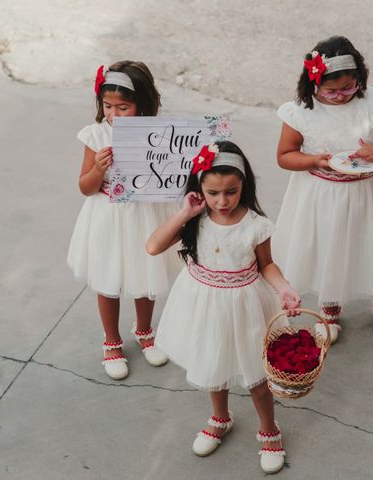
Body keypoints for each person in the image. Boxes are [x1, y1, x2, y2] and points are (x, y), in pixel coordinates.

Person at [146, 141, 301, 474]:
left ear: (244, 184)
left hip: (245, 305)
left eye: (231, 191)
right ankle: (220, 417)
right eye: (213, 192)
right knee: (212, 361)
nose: (222, 201)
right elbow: (153, 245)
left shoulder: (256, 225)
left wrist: (284, 287)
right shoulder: (196, 218)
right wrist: (186, 212)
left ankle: (269, 429)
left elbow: (267, 265)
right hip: (203, 304)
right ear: (199, 187)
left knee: (257, 378)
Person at [273, 35, 373, 344]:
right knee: (331, 247)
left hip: (370, 193)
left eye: (348, 87)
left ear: (360, 77)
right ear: (313, 83)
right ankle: (330, 309)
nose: (341, 96)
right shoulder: (300, 111)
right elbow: (285, 156)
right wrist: (314, 159)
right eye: (331, 90)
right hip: (324, 195)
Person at [67, 61, 179, 380]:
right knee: (108, 279)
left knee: (146, 273)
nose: (114, 114)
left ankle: (144, 330)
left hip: (145, 215)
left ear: (143, 105)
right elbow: (84, 187)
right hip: (108, 217)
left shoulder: (156, 135)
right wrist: (98, 170)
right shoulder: (97, 135)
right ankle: (112, 340)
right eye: (108, 106)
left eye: (123, 107)